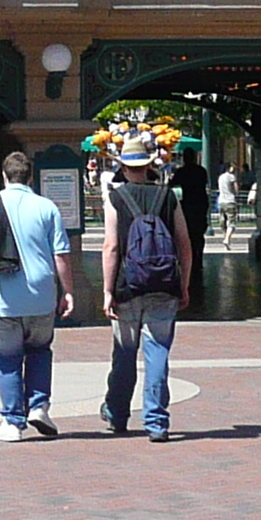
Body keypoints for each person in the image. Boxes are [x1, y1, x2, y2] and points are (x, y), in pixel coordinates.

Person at [0, 150, 74, 441]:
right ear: (31, 176)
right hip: (41, 295)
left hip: (3, 296)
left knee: (8, 357)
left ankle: (13, 422)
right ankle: (39, 406)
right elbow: (61, 255)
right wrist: (67, 292)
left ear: (4, 175)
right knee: (40, 350)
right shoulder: (47, 207)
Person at [98, 135, 191, 441]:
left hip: (128, 286)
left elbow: (111, 246)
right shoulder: (168, 196)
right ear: (149, 166)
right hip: (164, 286)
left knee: (125, 353)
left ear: (123, 168)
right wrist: (184, 285)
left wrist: (108, 291)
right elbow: (184, 244)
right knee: (158, 352)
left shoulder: (116, 199)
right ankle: (156, 422)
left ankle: (116, 413)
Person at [172, 140, 216, 302]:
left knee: (186, 235)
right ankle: (198, 258)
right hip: (200, 204)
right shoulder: (201, 171)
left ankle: (189, 260)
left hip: (188, 205)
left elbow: (172, 184)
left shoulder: (182, 171)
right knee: (198, 234)